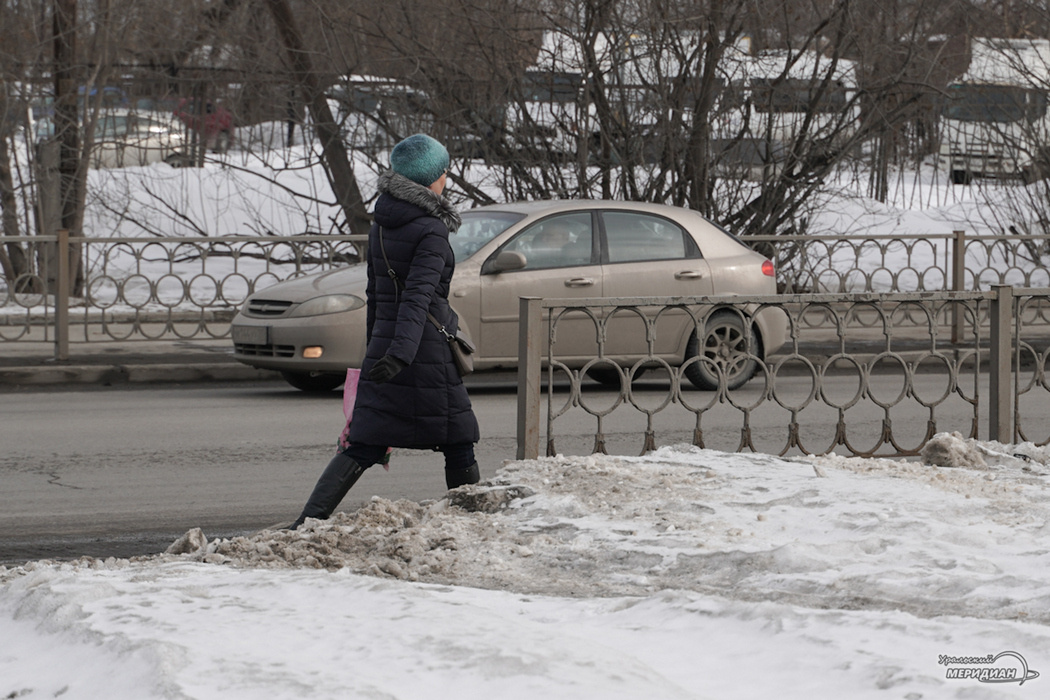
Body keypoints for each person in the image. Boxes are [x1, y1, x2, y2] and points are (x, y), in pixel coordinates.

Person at [288, 134, 480, 530]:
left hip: (390, 347)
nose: (447, 179)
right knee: (459, 440)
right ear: (430, 180)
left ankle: (308, 521)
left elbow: (377, 293)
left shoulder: (383, 222)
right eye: (443, 172)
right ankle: (470, 526)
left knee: (366, 440)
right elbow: (417, 297)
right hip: (421, 351)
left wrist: (378, 348)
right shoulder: (430, 230)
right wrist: (402, 353)